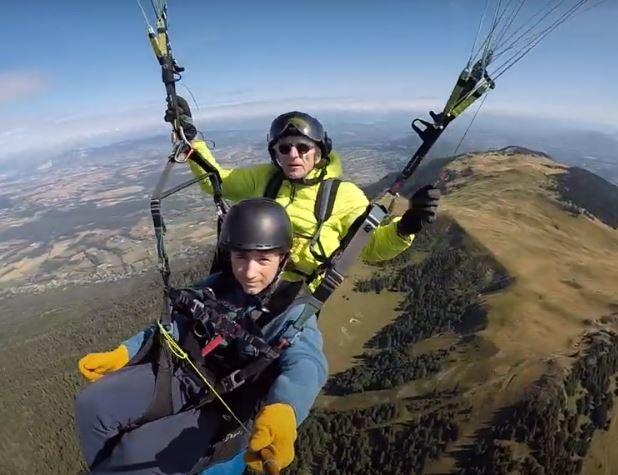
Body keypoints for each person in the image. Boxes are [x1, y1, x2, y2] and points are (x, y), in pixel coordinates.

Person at [74, 198, 328, 475]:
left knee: (134, 453)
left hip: (223, 410)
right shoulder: (217, 287)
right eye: (241, 257)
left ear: (283, 259)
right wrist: (125, 352)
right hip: (182, 378)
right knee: (93, 407)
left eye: (263, 259)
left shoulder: (291, 313)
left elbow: (307, 363)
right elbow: (171, 325)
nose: (250, 272)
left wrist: (285, 407)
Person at [167, 99, 441, 290]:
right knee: (186, 309)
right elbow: (216, 181)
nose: (293, 155)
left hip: (297, 295)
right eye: (284, 149)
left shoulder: (343, 195)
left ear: (319, 152)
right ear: (275, 154)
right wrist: (191, 137)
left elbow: (370, 247)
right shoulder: (266, 178)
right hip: (249, 278)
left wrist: (408, 225)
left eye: (302, 147)